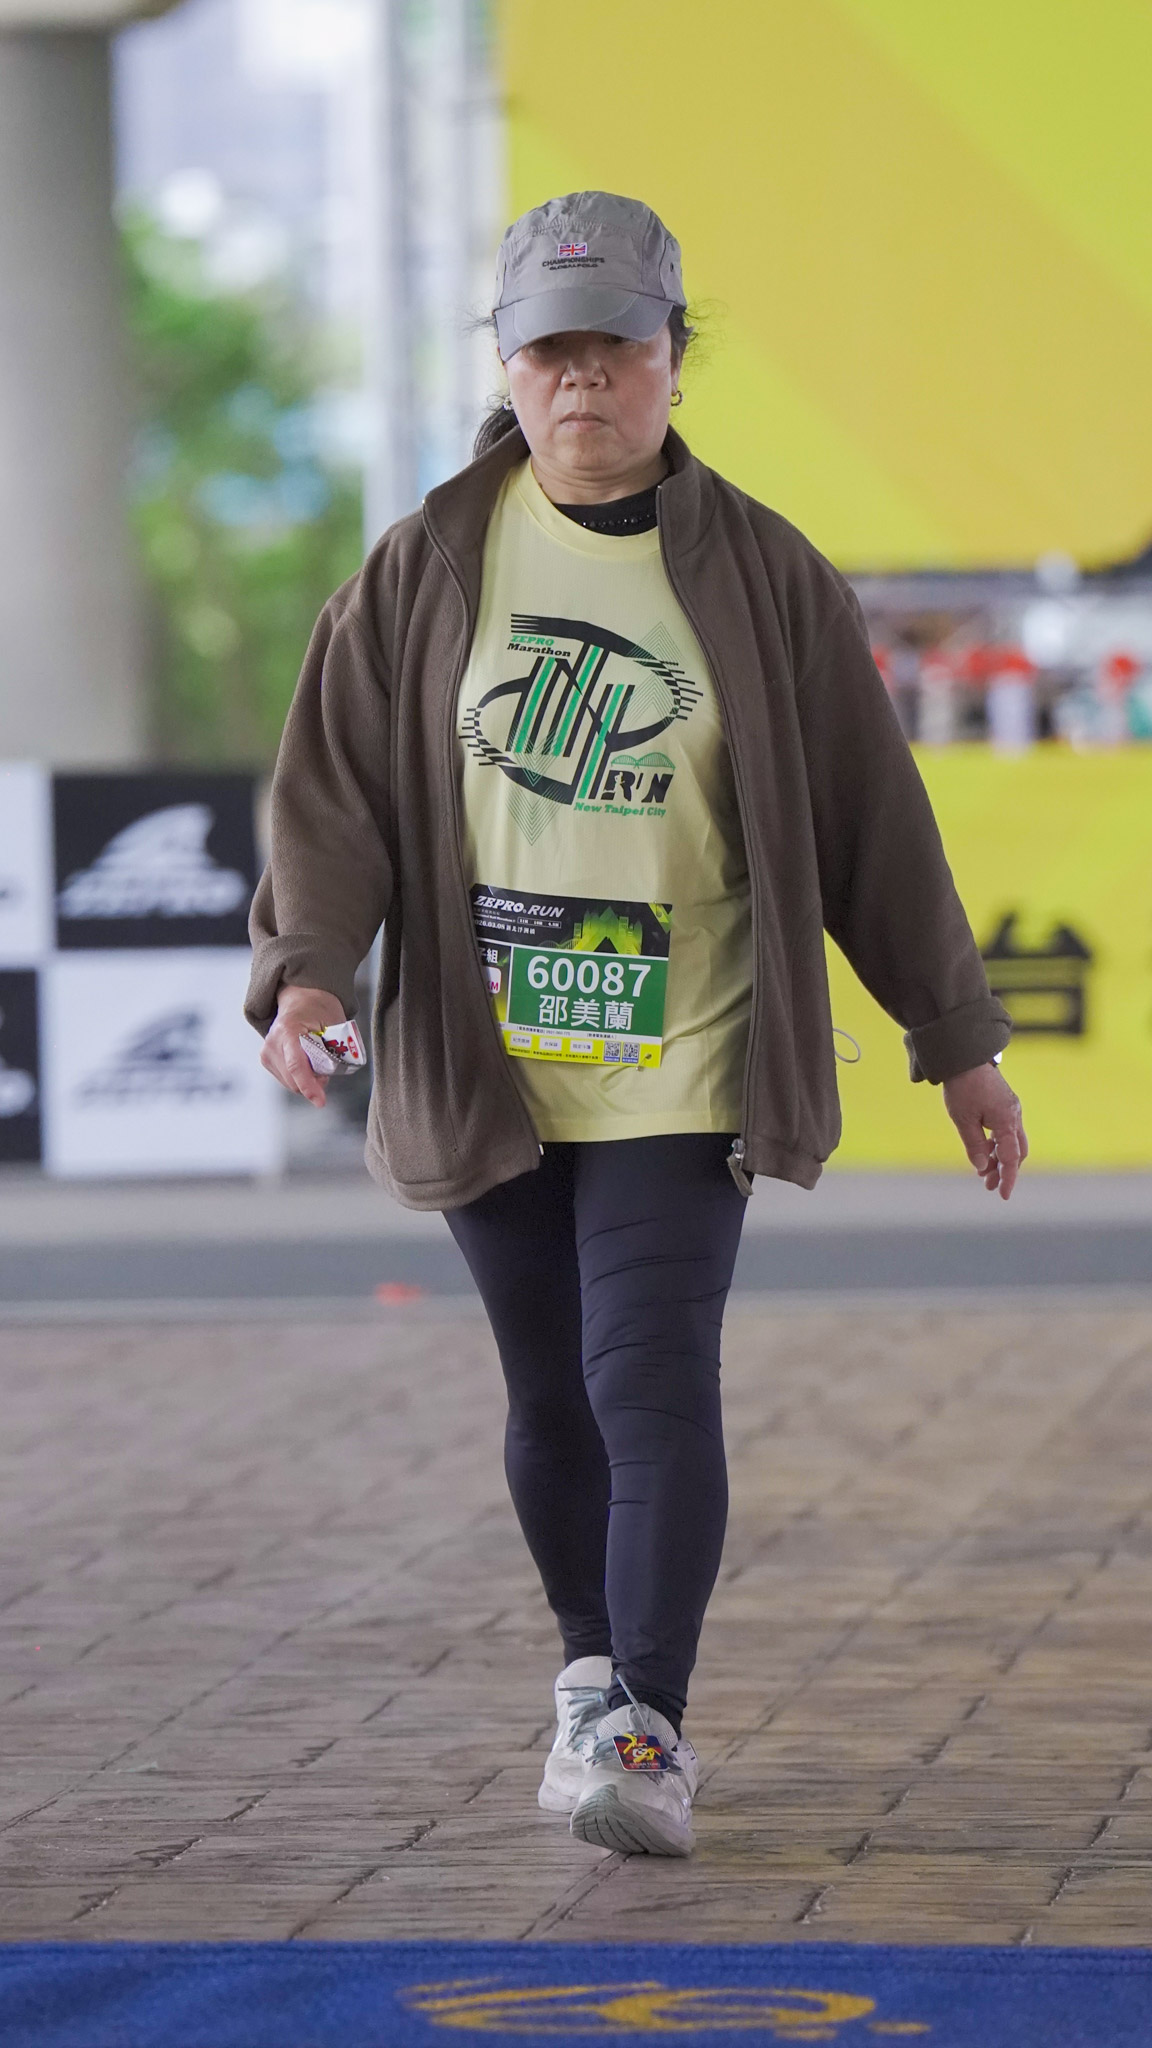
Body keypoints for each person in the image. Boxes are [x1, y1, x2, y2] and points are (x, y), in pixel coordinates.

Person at [246, 191, 1028, 1859]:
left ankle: (650, 1729)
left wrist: (957, 1038)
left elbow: (876, 825)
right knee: (553, 1393)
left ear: (677, 357)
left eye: (617, 342)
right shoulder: (426, 565)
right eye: (550, 349)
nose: (582, 376)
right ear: (507, 368)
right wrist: (308, 971)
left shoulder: (766, 573)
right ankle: (592, 1680)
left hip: (689, 1048)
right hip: (490, 1062)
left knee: (650, 1372)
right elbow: (334, 799)